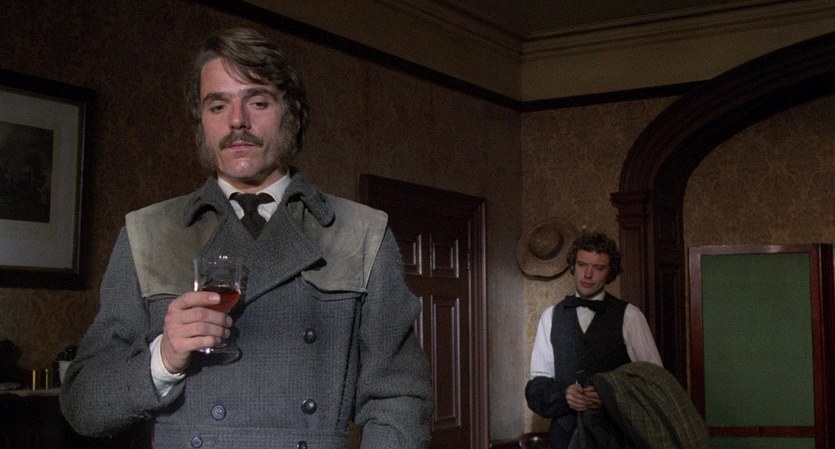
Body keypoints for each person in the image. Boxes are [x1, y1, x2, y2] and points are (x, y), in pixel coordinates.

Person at [60, 27, 433, 449]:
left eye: (258, 101)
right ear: (202, 123)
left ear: (293, 116)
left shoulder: (361, 233)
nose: (237, 120)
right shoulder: (148, 234)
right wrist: (162, 359)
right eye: (218, 105)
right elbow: (83, 406)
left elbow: (399, 399)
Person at [525, 231, 662, 449]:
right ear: (573, 265)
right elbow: (537, 388)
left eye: (598, 268)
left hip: (614, 438)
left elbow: (654, 384)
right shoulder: (550, 316)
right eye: (582, 265)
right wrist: (565, 395)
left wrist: (609, 397)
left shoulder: (630, 316)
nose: (588, 274)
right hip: (564, 438)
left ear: (610, 272)